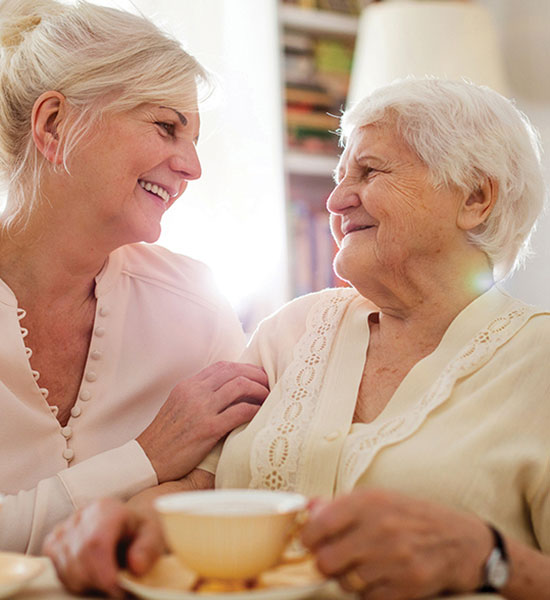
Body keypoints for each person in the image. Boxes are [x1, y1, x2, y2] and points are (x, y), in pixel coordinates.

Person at [45, 80, 550, 597]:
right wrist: (130, 523)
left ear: (474, 197)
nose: (335, 199)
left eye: (370, 171)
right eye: (338, 177)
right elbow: (202, 486)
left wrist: (488, 558)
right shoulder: (293, 328)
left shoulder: (539, 360)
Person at [0, 0, 269, 555]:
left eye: (193, 138)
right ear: (54, 126)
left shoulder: (196, 305)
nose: (193, 166)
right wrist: (147, 460)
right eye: (167, 127)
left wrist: (181, 490)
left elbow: (243, 480)